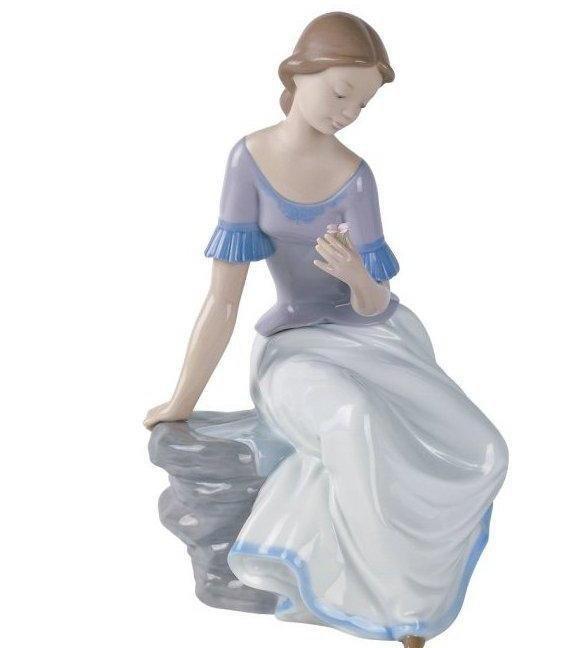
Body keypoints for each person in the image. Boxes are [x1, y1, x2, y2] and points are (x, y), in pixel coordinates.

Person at [144, 12, 508, 648]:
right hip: (295, 347)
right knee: (351, 421)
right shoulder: (249, 160)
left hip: (378, 339)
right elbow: (223, 300)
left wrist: (357, 276)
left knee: (482, 451)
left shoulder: (356, 177)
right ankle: (398, 606)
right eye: (341, 92)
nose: (348, 113)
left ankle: (412, 589)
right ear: (298, 75)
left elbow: (373, 304)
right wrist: (181, 401)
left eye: (362, 104)